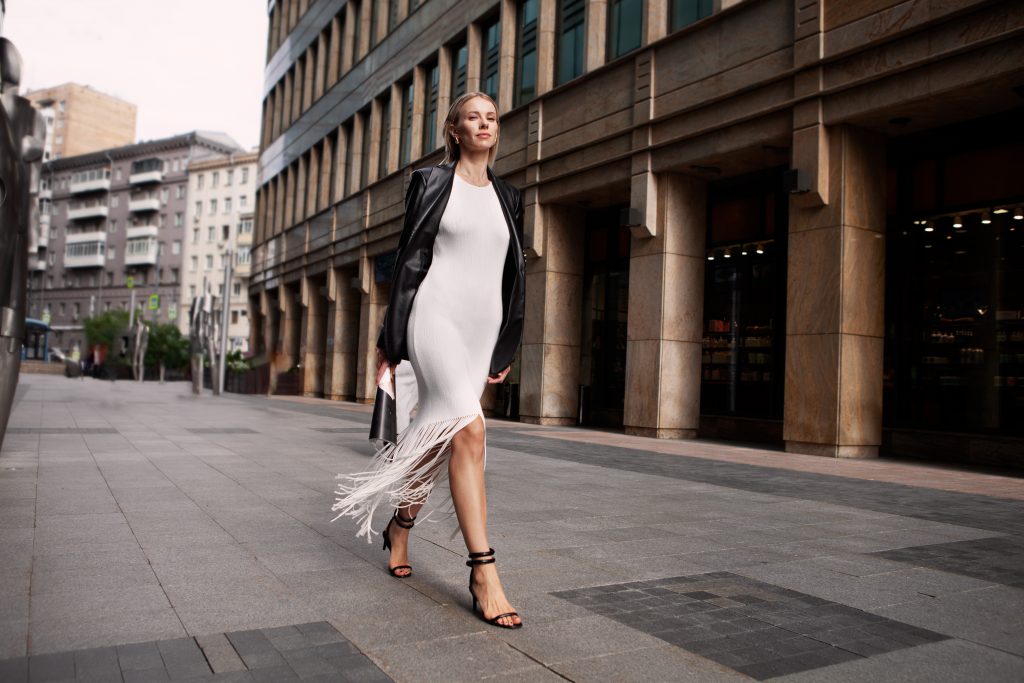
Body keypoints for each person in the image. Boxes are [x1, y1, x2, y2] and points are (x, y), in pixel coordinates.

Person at [333, 92, 525, 629]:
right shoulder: (431, 183)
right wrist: (389, 339)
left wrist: (506, 342)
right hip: (434, 316)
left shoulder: (511, 196)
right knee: (470, 431)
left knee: (443, 436)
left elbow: (513, 279)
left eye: (491, 118)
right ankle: (483, 570)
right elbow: (411, 261)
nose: (484, 124)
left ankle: (401, 525)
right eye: (473, 117)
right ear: (455, 130)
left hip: (480, 329)